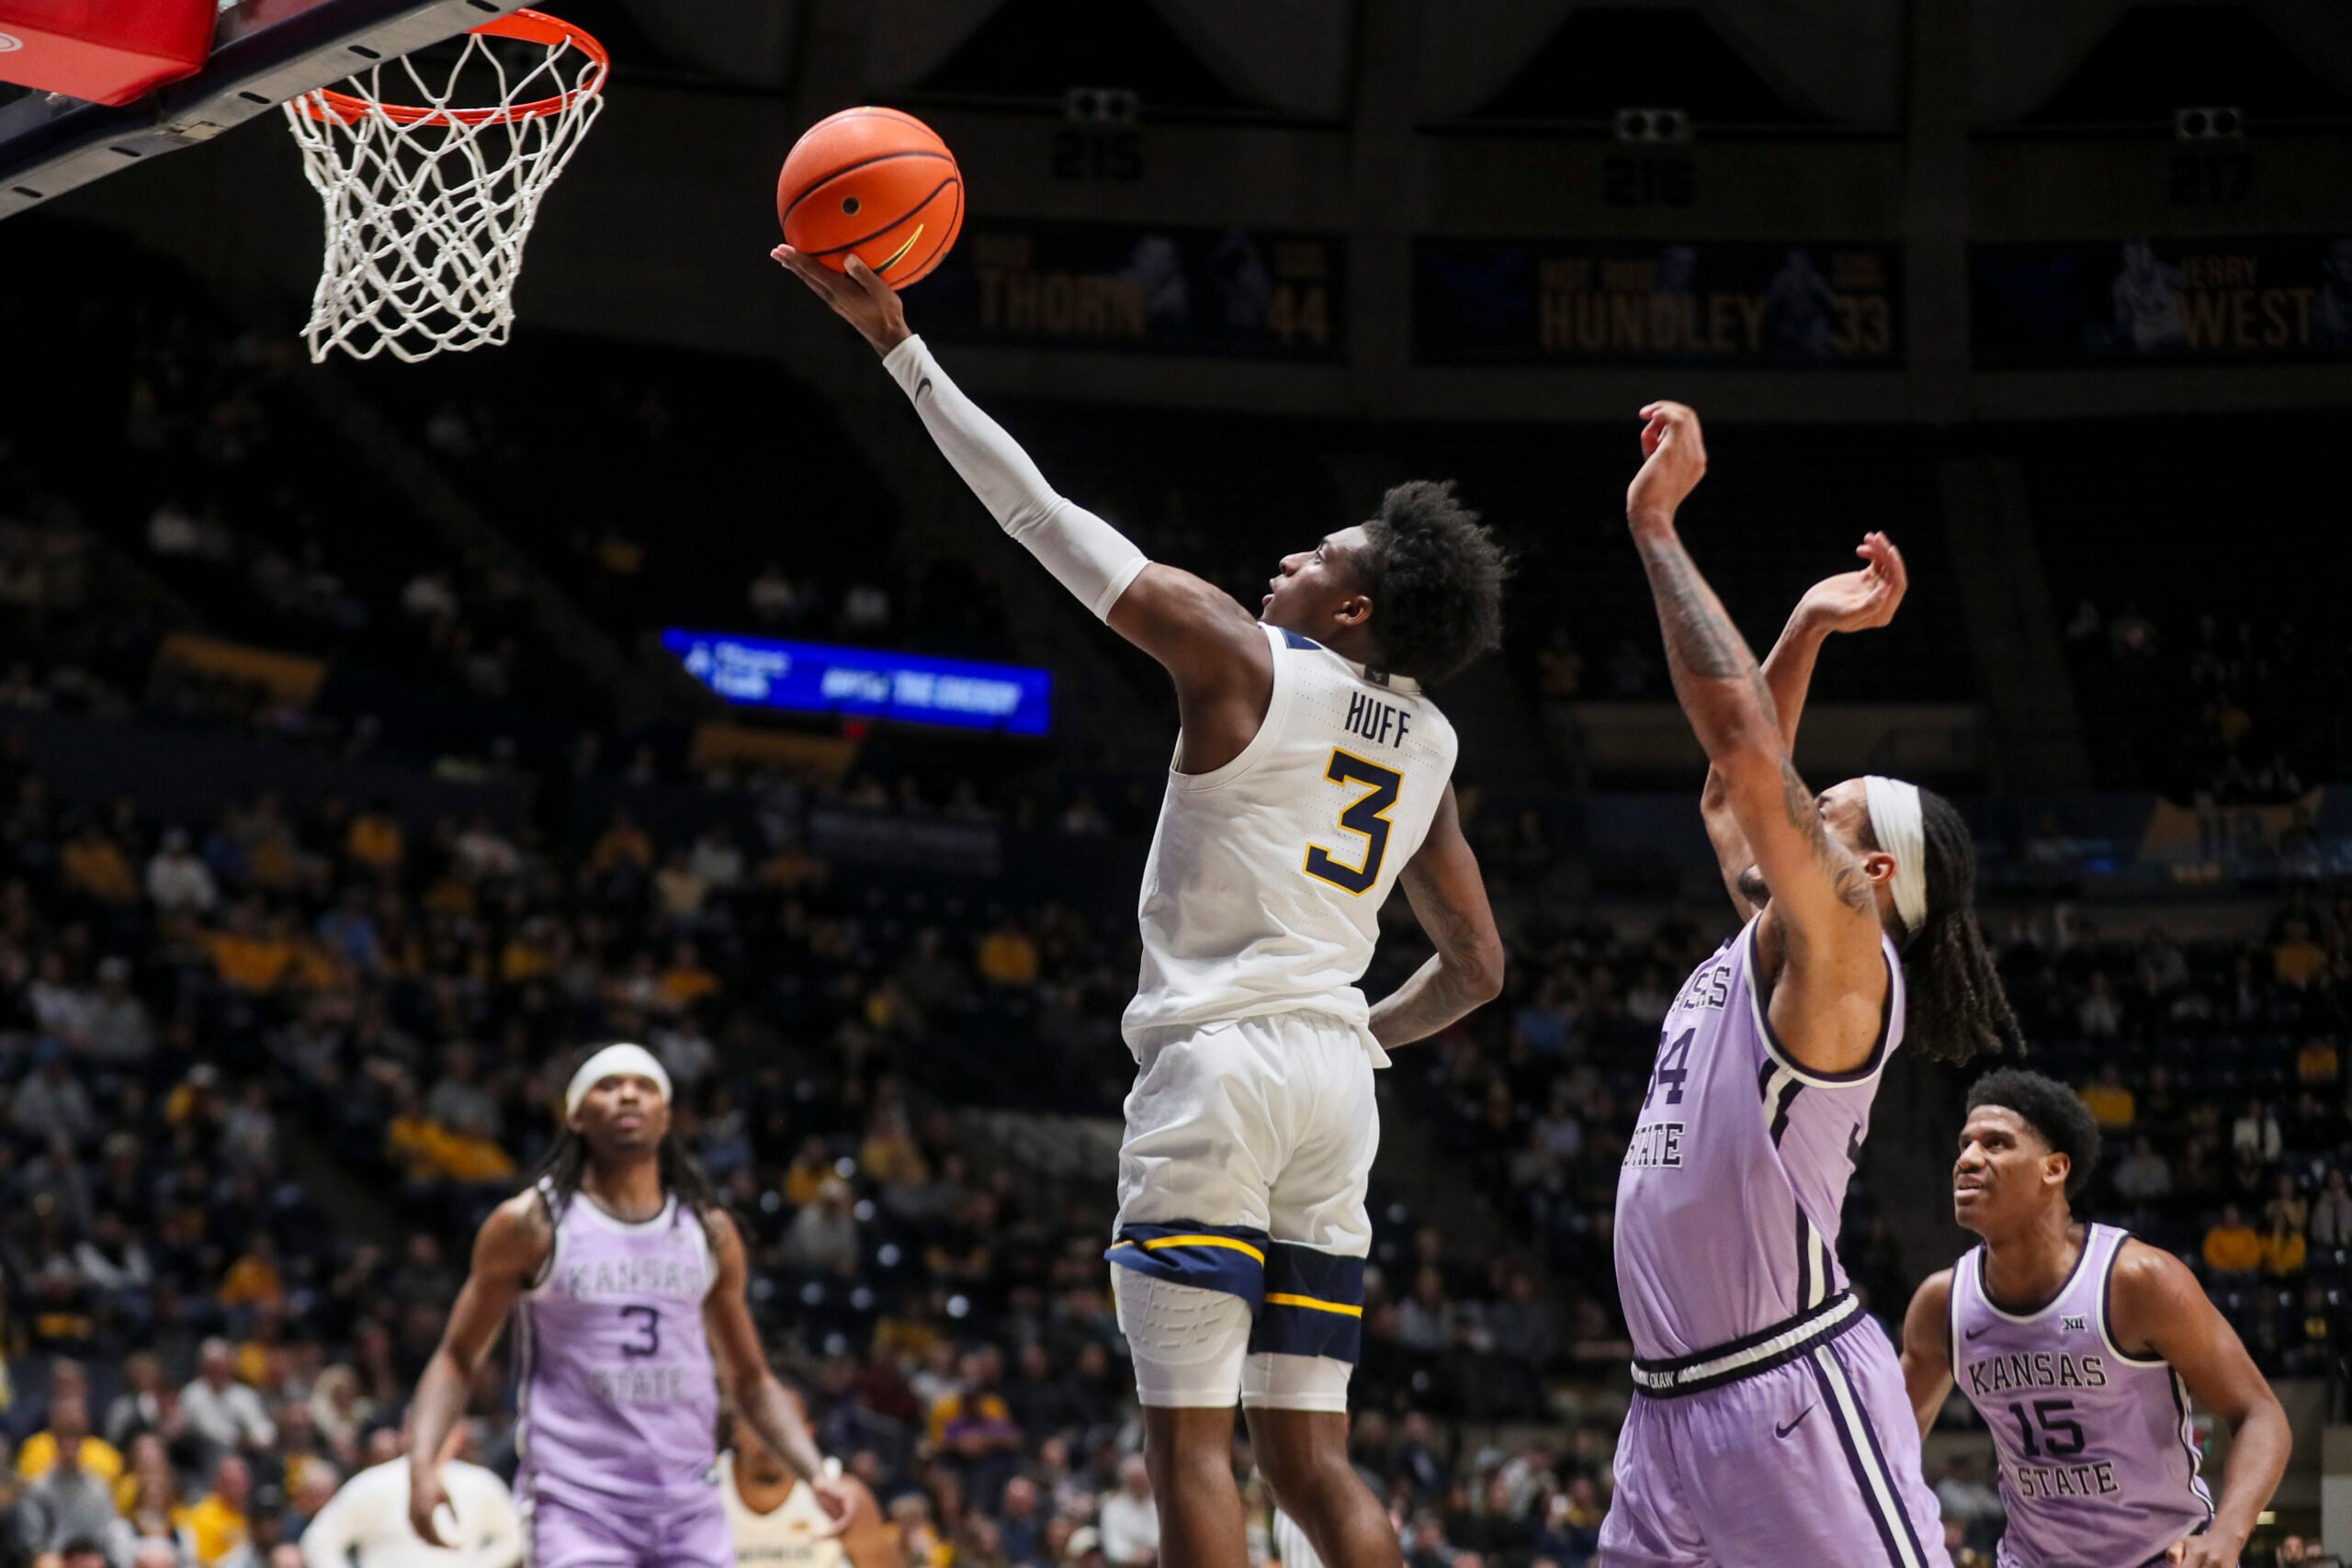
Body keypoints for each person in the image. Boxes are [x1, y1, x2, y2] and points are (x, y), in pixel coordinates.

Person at [776, 252, 1509, 1568]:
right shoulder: (1437, 744)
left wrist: (901, 350)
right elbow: (1476, 967)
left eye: (1319, 553)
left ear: (1351, 607)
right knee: (1314, 1456)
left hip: (1219, 1067)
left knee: (1188, 1442)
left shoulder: (1237, 647)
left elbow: (1037, 513)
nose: (1287, 556)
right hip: (1338, 1087)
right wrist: (1356, 1035)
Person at [1604, 400, 2022, 1566]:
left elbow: (1743, 753)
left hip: (1782, 1391)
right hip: (1665, 1409)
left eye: (1821, 808)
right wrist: (1803, 627)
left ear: (1872, 869)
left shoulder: (1846, 947)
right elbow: (1728, 794)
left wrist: (1656, 529)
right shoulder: (1767, 941)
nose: (1796, 805)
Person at [404, 1044, 861, 1568]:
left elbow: (752, 1381)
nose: (627, 1094)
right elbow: (457, 1358)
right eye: (607, 1084)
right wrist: (422, 1464)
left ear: (665, 1117)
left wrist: (818, 1476)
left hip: (690, 1504)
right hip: (578, 1506)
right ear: (575, 1115)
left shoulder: (708, 1233)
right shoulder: (532, 1225)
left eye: (644, 1086)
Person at [1900, 1070, 2290, 1568]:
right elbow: (1888, 1445)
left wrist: (2228, 1535)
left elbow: (2261, 1414)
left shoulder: (2138, 1282)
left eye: (1995, 1144)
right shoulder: (1942, 1304)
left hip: (2158, 1556)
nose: (1968, 1159)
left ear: (2054, 1169)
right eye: (1965, 1144)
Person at [298, 1420, 519, 1567]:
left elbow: (517, 1536)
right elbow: (319, 1541)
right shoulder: (372, 1483)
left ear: (458, 1436)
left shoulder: (480, 1483)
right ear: (405, 1433)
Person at [718, 1409, 902, 1568]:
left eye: (783, 1425)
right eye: (758, 1424)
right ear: (736, 1428)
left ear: (808, 1433)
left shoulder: (842, 1493)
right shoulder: (703, 1485)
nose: (770, 1439)